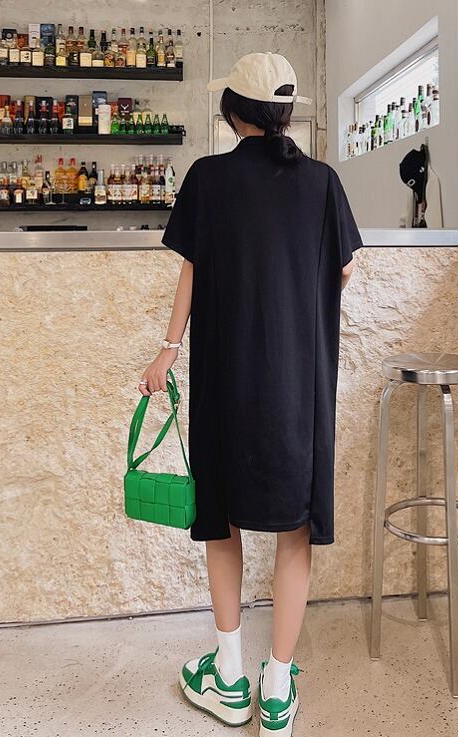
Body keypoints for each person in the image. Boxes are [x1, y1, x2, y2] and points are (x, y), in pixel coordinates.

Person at [138, 52, 362, 737]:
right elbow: (344, 272)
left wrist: (167, 348)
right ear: (285, 112)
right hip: (298, 385)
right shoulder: (322, 183)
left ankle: (229, 677)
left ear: (234, 112)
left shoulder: (207, 178)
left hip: (225, 380)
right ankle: (278, 685)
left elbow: (191, 272)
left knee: (222, 518)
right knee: (295, 529)